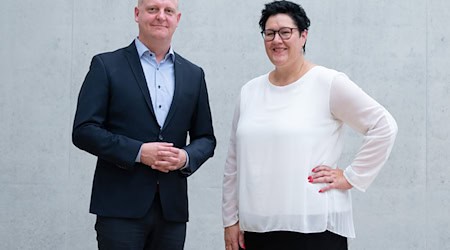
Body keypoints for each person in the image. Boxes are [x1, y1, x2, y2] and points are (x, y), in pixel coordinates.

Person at [222, 1, 398, 249]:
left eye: (286, 32)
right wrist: (230, 219)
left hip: (314, 228)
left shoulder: (327, 83)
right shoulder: (250, 91)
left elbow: (384, 126)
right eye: (270, 33)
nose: (277, 40)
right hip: (257, 228)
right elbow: (233, 162)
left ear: (303, 35)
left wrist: (351, 177)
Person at [72, 0, 216, 249]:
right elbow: (84, 130)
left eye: (168, 11)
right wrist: (138, 153)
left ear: (177, 19)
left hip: (172, 211)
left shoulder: (194, 74)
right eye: (153, 9)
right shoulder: (106, 65)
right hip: (120, 208)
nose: (161, 16)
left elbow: (206, 138)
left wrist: (184, 157)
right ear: (137, 14)